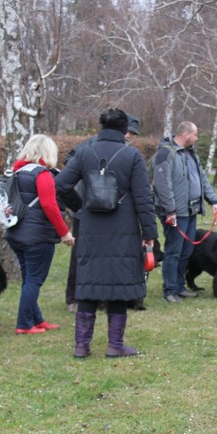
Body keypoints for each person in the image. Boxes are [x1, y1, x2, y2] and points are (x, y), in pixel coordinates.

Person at [56, 109, 158, 358]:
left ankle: (81, 346)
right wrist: (149, 232)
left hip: (91, 226)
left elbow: (60, 184)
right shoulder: (132, 155)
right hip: (123, 227)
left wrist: (81, 206)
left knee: (88, 283)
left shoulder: (83, 152)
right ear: (125, 131)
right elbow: (143, 198)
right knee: (119, 285)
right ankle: (115, 345)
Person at [64, 113, 142, 313]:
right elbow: (68, 165)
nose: (130, 137)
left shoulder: (126, 151)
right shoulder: (90, 146)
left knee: (107, 254)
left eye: (133, 134)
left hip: (110, 209)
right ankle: (74, 297)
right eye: (129, 132)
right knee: (82, 255)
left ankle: (103, 297)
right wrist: (80, 203)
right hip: (87, 207)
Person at [5, 135, 75, 335]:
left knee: (29, 279)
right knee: (34, 280)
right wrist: (65, 233)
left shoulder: (16, 171)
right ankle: (24, 324)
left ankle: (37, 319)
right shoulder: (42, 174)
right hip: (37, 236)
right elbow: (49, 205)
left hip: (15, 233)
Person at [151, 121, 217, 303]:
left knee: (186, 250)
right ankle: (169, 290)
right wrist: (170, 210)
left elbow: (202, 179)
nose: (197, 138)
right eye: (195, 134)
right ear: (186, 135)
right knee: (174, 250)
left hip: (190, 210)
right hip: (175, 213)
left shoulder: (191, 154)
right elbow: (162, 184)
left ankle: (179, 286)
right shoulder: (165, 153)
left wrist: (213, 200)